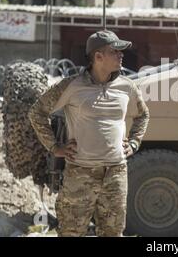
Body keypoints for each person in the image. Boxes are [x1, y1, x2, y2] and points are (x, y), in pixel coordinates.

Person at [28, 30, 149, 237]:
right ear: (98, 57)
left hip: (116, 172)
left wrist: (135, 142)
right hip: (80, 174)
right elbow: (36, 113)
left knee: (112, 233)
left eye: (121, 51)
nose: (121, 55)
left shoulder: (127, 87)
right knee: (71, 232)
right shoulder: (71, 86)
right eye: (115, 51)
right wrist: (54, 147)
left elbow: (143, 115)